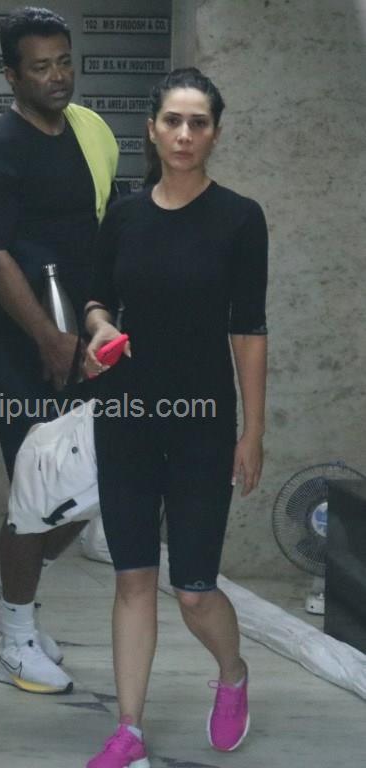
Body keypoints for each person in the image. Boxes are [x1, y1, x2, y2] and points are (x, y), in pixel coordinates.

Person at [83, 67, 268, 764]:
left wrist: (252, 430)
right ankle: (128, 729)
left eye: (198, 123)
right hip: (125, 414)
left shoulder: (239, 218)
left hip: (202, 422)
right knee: (132, 577)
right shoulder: (124, 215)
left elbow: (248, 330)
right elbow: (96, 298)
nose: (184, 134)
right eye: (172, 121)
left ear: (214, 134)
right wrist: (99, 328)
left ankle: (233, 674)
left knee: (193, 591)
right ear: (153, 130)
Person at [0, 6, 118, 695]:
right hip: (22, 344)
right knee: (36, 490)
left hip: (82, 336)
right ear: (11, 75)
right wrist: (47, 340)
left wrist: (95, 328)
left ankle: (5, 596)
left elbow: (100, 228)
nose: (57, 76)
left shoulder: (87, 130)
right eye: (40, 67)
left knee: (92, 485)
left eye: (63, 62)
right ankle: (15, 641)